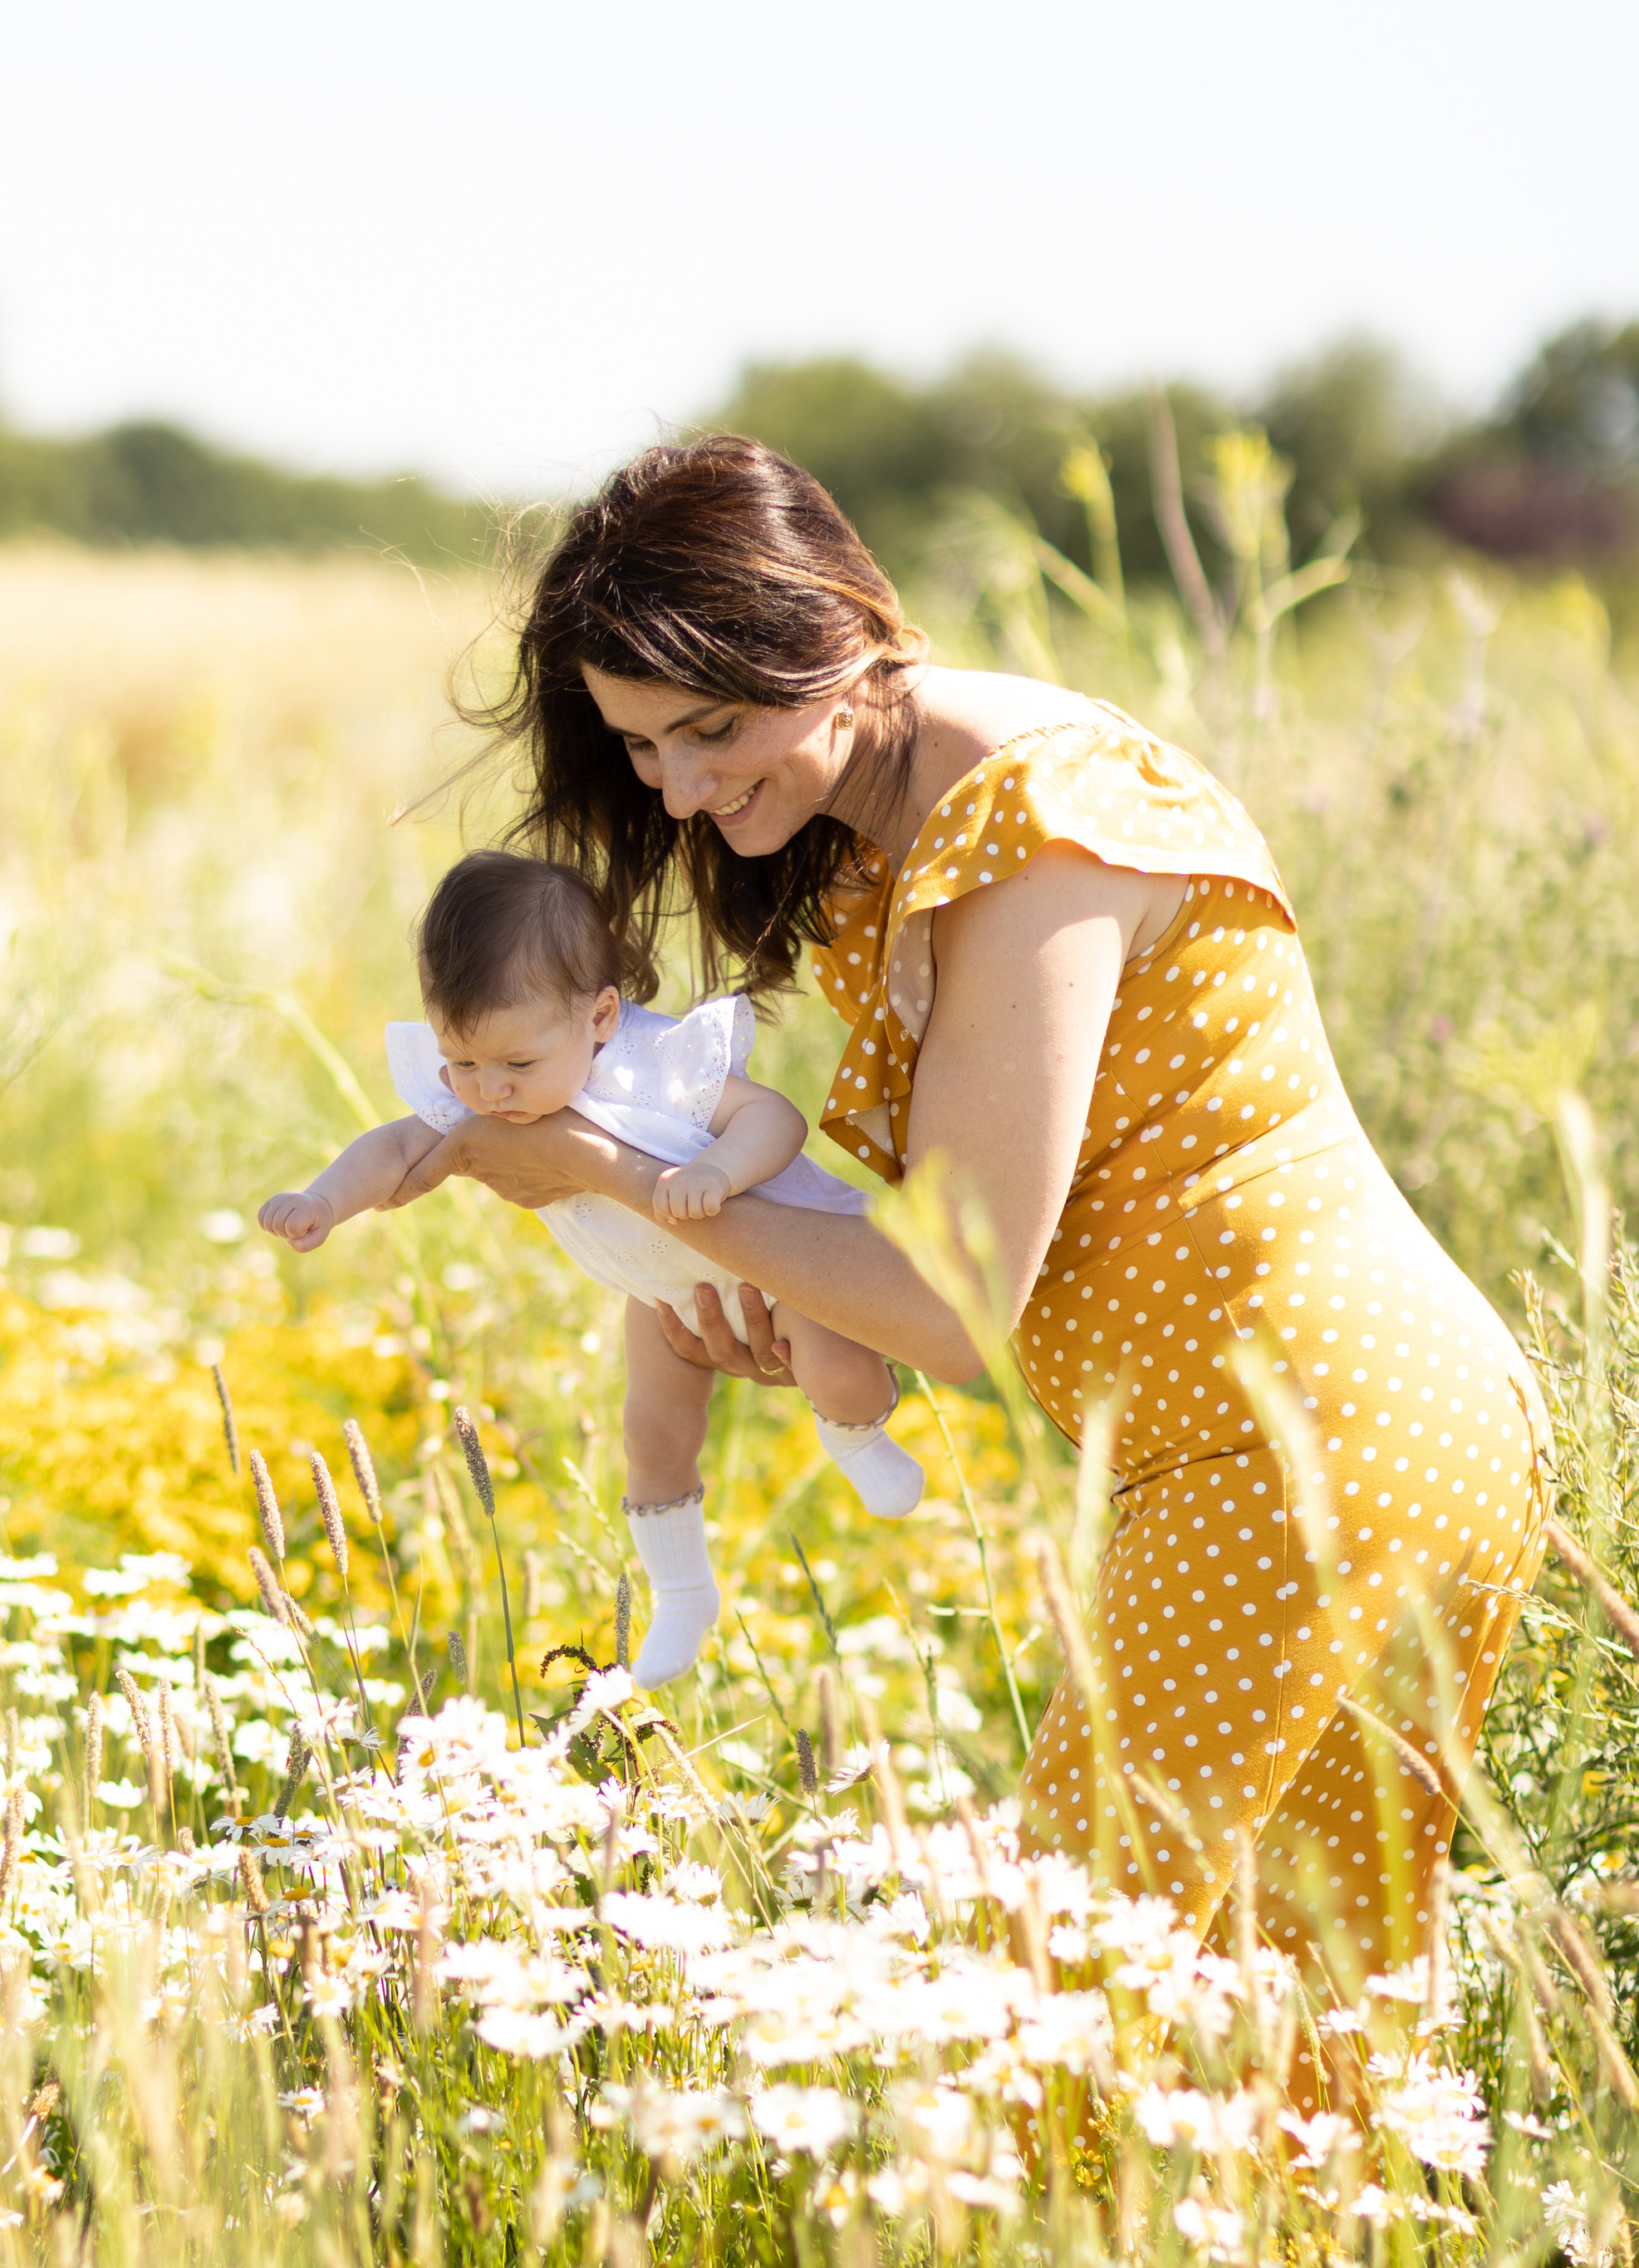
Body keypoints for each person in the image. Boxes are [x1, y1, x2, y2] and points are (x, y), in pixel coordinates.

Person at [389, 435, 1550, 2007]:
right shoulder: (913, 824)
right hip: (1308, 1443)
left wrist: (600, 1168)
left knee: (1046, 2007)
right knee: (1278, 2059)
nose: (676, 785)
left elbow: (951, 1303)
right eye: (641, 745)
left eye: (712, 728)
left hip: (1310, 1447)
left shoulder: (1029, 827)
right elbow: (974, 1252)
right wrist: (787, 1299)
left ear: (840, 631)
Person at [256, 848, 922, 1686]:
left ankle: (856, 1434)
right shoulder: (477, 1084)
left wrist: (720, 1171)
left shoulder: (654, 1066)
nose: (488, 1092)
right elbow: (395, 1147)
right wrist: (323, 1201)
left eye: (516, 1066)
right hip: (658, 1288)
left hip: (780, 1260)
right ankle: (681, 1592)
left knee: (837, 1368)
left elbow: (772, 1116)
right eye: (463, 1062)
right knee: (649, 1435)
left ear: (601, 1017)